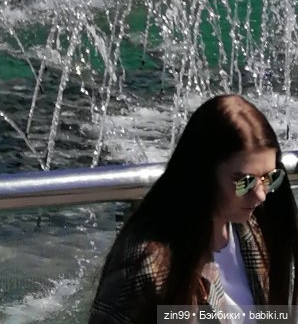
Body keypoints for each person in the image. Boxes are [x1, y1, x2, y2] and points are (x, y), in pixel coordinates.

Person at [89, 94, 298, 323]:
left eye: (269, 178)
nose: (260, 196)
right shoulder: (149, 261)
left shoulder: (255, 231)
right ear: (204, 173)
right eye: (244, 182)